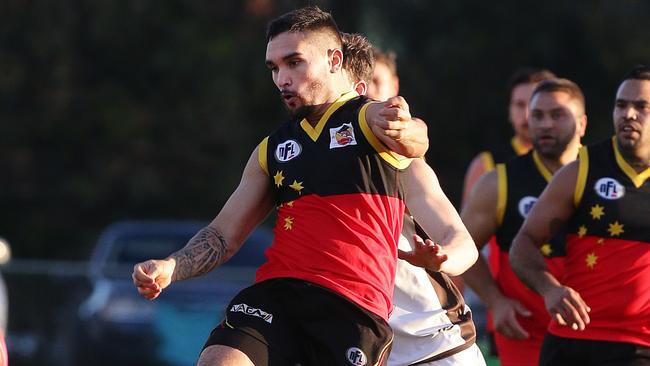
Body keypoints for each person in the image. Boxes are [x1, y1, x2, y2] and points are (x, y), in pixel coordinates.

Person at [133, 6, 429, 366]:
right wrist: (171, 267)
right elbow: (223, 236)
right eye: (274, 68)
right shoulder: (271, 150)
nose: (281, 79)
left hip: (352, 310)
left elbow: (414, 137)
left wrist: (410, 130)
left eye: (294, 62)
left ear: (334, 60)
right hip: (278, 295)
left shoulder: (367, 119)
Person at [350, 43, 483, 365]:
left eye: (377, 83)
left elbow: (464, 245)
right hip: (361, 345)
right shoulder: (300, 160)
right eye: (359, 86)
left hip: (436, 347)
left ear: (395, 89)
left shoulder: (403, 162)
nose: (369, 97)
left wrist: (440, 259)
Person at [510, 65, 650, 365]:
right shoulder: (582, 170)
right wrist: (549, 289)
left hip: (639, 346)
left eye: (642, 107)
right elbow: (523, 245)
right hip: (573, 342)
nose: (628, 114)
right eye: (621, 105)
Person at [461, 78, 588, 366]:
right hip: (526, 333)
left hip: (595, 330)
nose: (545, 124)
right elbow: (460, 247)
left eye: (557, 115)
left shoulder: (602, 179)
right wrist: (495, 301)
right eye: (538, 116)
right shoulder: (499, 181)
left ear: (581, 123)